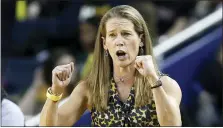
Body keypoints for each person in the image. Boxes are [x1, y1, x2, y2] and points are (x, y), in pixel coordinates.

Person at [40, 5, 182, 126]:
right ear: (105, 44)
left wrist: (152, 79)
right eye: (113, 35)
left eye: (126, 34)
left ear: (141, 40)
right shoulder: (91, 88)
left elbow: (172, 125)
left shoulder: (166, 85)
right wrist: (56, 91)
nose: (119, 41)